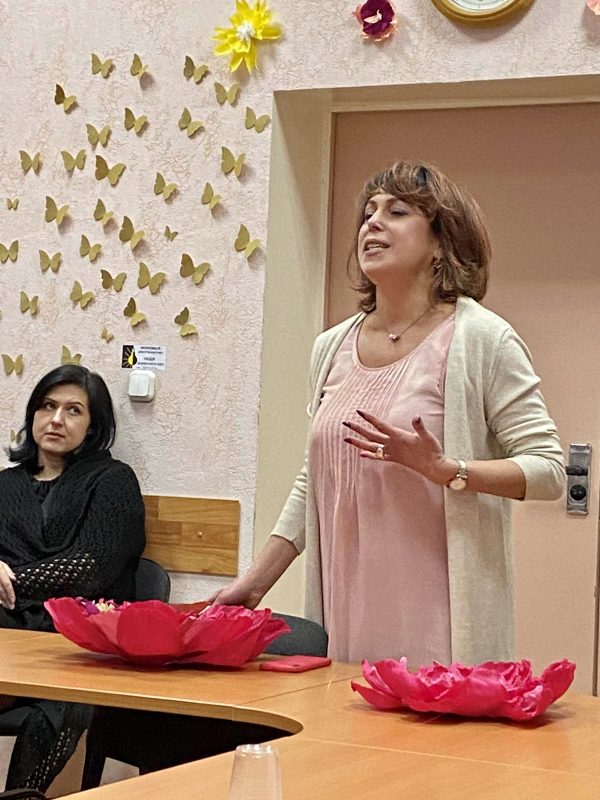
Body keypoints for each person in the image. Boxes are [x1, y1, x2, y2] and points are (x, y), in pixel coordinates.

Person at [212, 160, 564, 666]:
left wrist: (448, 470)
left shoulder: (484, 339)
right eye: (368, 213)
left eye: (396, 212)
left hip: (442, 631)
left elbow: (549, 471)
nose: (372, 223)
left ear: (441, 243)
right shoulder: (331, 346)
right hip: (346, 616)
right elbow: (315, 478)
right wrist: (255, 582)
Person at [0, 364, 146, 793]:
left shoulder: (113, 480)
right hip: (9, 633)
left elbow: (90, 568)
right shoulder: (6, 485)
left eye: (73, 410)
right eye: (47, 406)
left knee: (68, 695)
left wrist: (10, 583)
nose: (56, 419)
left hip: (77, 638)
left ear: (93, 426)